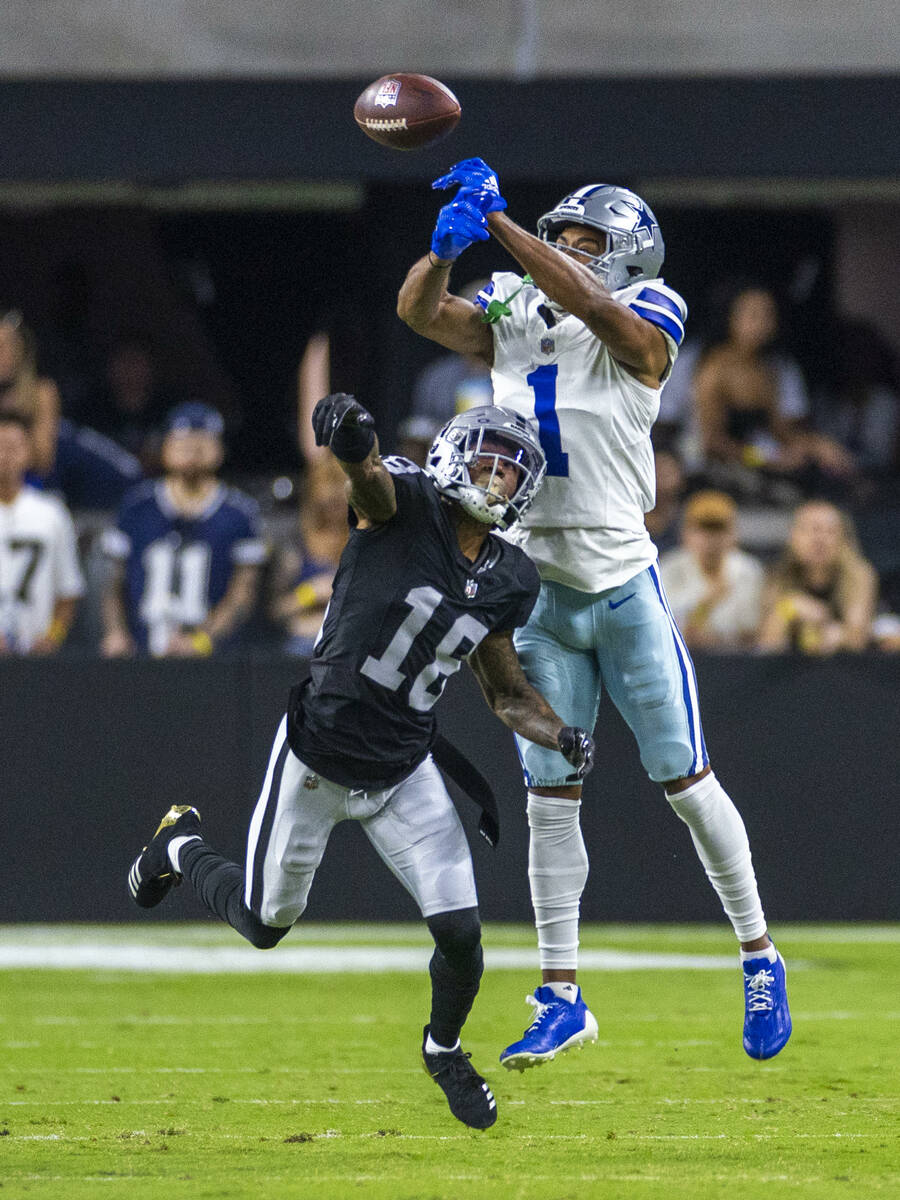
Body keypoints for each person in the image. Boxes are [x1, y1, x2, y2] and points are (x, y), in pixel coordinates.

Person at [397, 159, 792, 1069]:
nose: (564, 253)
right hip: (531, 589)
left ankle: (759, 953)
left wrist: (507, 232)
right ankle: (561, 993)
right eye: (560, 236)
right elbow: (422, 313)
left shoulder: (655, 306)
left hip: (621, 586)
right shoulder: (512, 299)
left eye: (584, 242)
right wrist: (441, 247)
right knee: (549, 801)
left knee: (686, 786)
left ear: (628, 255)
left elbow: (613, 326)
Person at [126, 396, 595, 1131]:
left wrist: (560, 732)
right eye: (488, 461)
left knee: (464, 939)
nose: (497, 479)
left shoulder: (512, 578)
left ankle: (443, 1051)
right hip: (317, 758)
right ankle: (180, 847)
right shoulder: (405, 504)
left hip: (406, 768)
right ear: (453, 455)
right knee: (263, 924)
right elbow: (367, 475)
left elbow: (506, 694)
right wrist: (352, 436)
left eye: (511, 471)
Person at [101, 402, 266, 657]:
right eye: (183, 439)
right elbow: (112, 583)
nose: (192, 447)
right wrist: (116, 633)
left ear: (219, 449)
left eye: (202, 440)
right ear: (165, 446)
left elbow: (242, 595)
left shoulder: (239, 514)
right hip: (140, 651)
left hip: (213, 659)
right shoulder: (136, 507)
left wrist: (202, 642)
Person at [693, 285, 854, 492]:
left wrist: (815, 446)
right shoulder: (713, 369)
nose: (762, 324)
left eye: (768, 314)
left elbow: (780, 430)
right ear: (732, 319)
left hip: (757, 463)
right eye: (753, 315)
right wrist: (766, 458)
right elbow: (713, 444)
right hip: (716, 471)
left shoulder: (768, 369)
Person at [0, 412, 84, 654]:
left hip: (36, 652)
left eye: (13, 447)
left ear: (28, 452)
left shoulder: (51, 513)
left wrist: (52, 638)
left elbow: (68, 591)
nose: (5, 456)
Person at [757, 500, 877, 654]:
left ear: (843, 540)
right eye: (811, 530)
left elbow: (857, 636)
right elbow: (766, 644)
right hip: (788, 671)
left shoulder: (858, 575)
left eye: (830, 531)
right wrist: (790, 608)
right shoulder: (779, 575)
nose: (820, 540)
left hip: (844, 669)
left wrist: (839, 635)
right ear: (793, 537)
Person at [659, 490, 764, 650]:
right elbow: (665, 631)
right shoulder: (669, 569)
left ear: (733, 534)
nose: (710, 540)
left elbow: (755, 632)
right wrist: (705, 604)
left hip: (738, 662)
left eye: (718, 530)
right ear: (686, 533)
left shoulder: (748, 571)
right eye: (702, 530)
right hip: (685, 658)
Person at [269, 455, 349, 655]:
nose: (333, 512)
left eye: (339, 504)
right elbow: (277, 611)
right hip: (304, 642)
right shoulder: (295, 545)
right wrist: (310, 593)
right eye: (327, 504)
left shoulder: (367, 543)